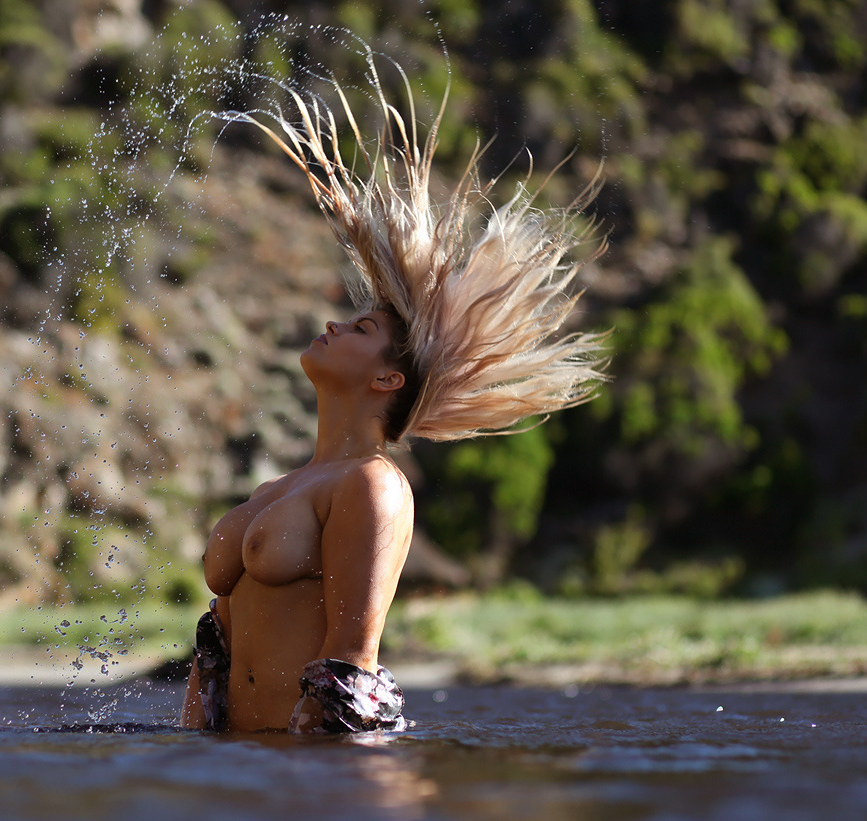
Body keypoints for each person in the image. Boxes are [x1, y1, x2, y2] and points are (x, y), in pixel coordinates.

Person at [180, 66, 608, 733]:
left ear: (387, 380)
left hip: (313, 769)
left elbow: (350, 666)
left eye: (360, 330)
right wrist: (193, 758)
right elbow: (217, 655)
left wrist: (307, 780)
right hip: (242, 766)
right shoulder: (278, 488)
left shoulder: (372, 487)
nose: (334, 324)